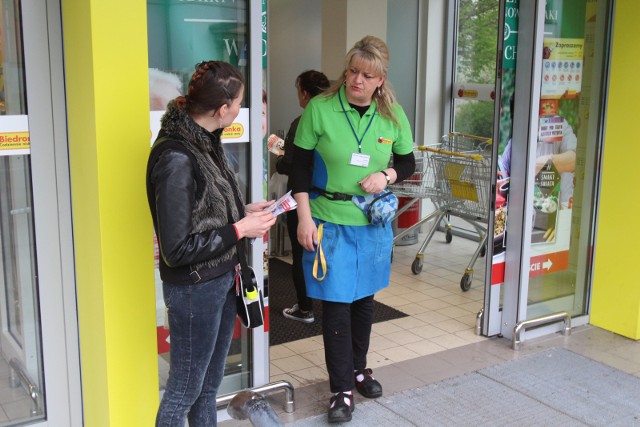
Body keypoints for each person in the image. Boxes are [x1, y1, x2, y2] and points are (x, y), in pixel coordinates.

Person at [290, 36, 415, 423]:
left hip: (372, 224)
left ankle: (360, 369)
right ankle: (341, 388)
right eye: (352, 71)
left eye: (367, 75)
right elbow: (299, 166)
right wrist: (304, 217)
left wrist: (386, 173)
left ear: (380, 80)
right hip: (328, 220)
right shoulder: (321, 109)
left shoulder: (392, 114)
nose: (356, 80)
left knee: (364, 301)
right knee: (336, 305)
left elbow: (408, 162)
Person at [146, 60, 276, 427]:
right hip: (194, 289)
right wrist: (240, 230)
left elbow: (204, 210)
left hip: (221, 279)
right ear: (222, 110)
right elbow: (177, 249)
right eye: (238, 103)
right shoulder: (176, 156)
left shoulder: (205, 141)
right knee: (184, 389)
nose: (240, 110)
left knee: (207, 387)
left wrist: (244, 213)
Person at [276, 70, 330, 323]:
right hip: (330, 198)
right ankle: (332, 306)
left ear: (305, 93)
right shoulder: (336, 118)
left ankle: (305, 308)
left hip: (302, 198)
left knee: (301, 254)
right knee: (329, 251)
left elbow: (290, 165)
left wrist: (281, 156)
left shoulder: (302, 122)